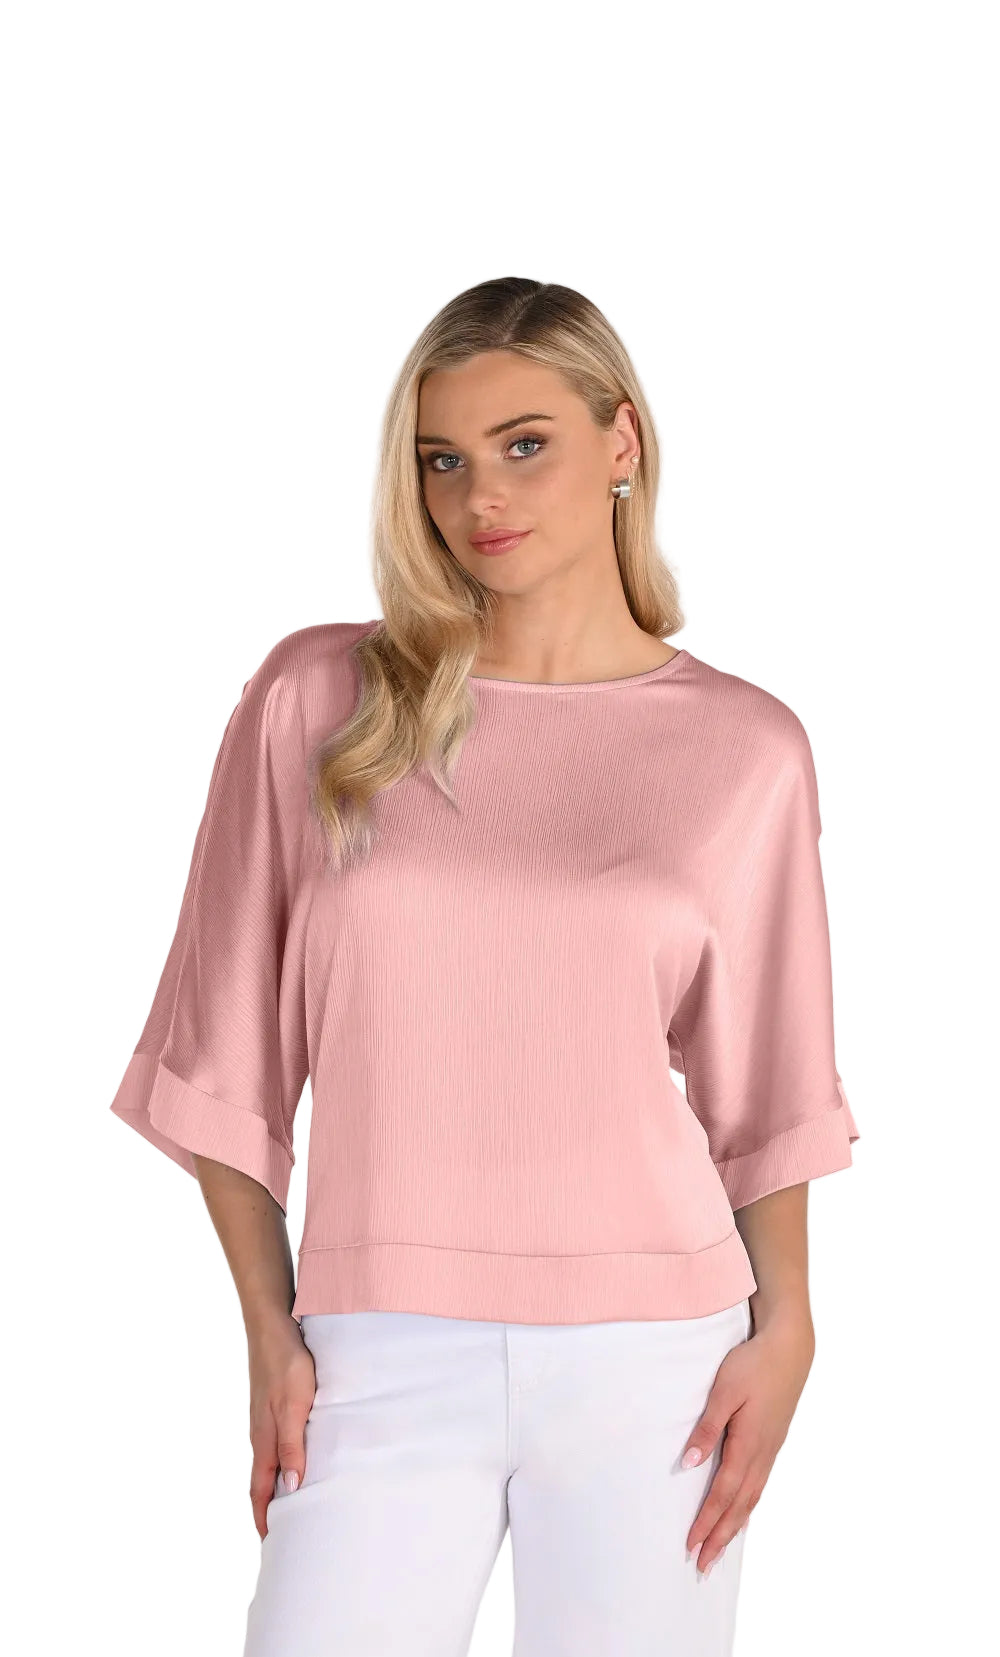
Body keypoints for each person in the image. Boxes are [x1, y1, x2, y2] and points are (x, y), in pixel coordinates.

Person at [109, 275, 859, 1657]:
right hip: (374, 1348)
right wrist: (268, 1328)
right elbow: (220, 1057)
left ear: (621, 439)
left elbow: (770, 1093)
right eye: (441, 459)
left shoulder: (746, 747)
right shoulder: (322, 700)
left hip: (658, 1358)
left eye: (525, 444)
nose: (480, 497)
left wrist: (793, 1326)